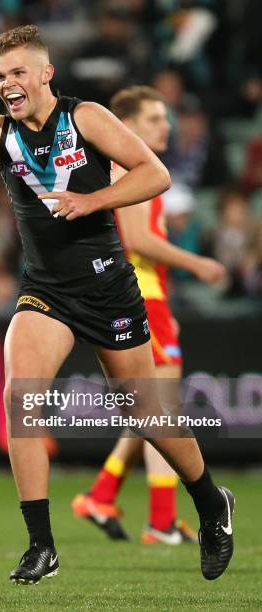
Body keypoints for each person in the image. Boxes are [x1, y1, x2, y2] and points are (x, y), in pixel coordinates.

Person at [0, 24, 235, 585]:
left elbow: (157, 173)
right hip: (46, 290)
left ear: (46, 73)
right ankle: (41, 544)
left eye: (19, 72)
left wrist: (92, 199)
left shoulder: (86, 118)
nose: (7, 84)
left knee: (146, 415)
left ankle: (209, 501)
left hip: (107, 287)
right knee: (19, 395)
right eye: (0, 75)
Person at [72, 86, 226, 544]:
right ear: (130, 126)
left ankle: (103, 495)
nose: (166, 126)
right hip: (143, 296)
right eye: (156, 118)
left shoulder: (124, 170)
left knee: (150, 410)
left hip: (142, 293)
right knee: (162, 409)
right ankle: (160, 520)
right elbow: (138, 239)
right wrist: (196, 262)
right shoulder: (131, 168)